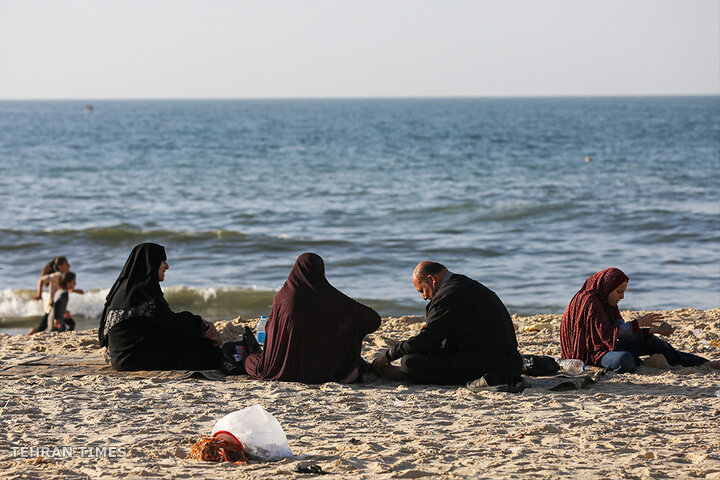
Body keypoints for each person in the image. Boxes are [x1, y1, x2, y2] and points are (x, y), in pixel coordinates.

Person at [372, 261, 522, 385]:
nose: (424, 297)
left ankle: (402, 374)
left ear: (431, 279)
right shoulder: (462, 285)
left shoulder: (449, 295)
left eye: (422, 290)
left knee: (410, 362)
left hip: (492, 365)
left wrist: (387, 356)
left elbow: (426, 340)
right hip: (504, 360)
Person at [243, 252, 381, 383]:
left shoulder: (283, 297)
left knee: (250, 360)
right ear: (321, 272)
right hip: (325, 368)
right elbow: (373, 320)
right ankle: (352, 371)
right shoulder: (330, 297)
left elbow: (272, 329)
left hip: (286, 368)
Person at [560, 267, 720, 373]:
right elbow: (608, 334)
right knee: (625, 359)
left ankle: (703, 364)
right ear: (608, 287)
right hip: (588, 354)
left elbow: (619, 329)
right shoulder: (590, 301)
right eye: (619, 292)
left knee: (653, 341)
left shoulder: (608, 301)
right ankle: (640, 362)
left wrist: (651, 331)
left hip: (607, 345)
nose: (622, 296)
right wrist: (640, 323)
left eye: (623, 292)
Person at [99, 242, 225, 371]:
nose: (167, 266)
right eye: (162, 261)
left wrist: (199, 324)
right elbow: (171, 322)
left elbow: (163, 320)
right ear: (151, 263)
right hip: (134, 360)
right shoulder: (143, 291)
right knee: (198, 345)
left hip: (119, 359)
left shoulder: (123, 290)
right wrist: (203, 327)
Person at [28, 256, 84, 334]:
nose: (69, 266)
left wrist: (74, 290)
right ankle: (33, 332)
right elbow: (41, 280)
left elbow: (62, 289)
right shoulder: (57, 275)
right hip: (53, 304)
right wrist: (39, 294)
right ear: (60, 266)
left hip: (58, 303)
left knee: (66, 323)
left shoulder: (63, 276)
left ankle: (34, 332)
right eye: (67, 264)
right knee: (44, 327)